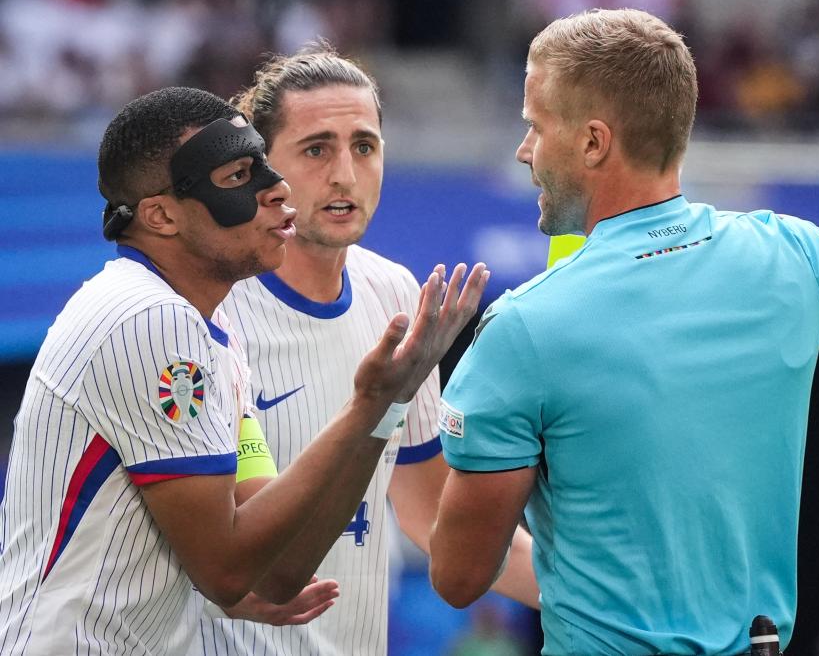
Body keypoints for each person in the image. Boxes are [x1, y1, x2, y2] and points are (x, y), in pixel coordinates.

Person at [429, 8, 819, 655]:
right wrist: (784, 323)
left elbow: (457, 576)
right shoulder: (796, 255)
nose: (523, 151)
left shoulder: (522, 327)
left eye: (535, 128)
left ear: (594, 142)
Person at [0, 86, 487, 655]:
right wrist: (366, 407)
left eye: (262, 165)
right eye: (237, 176)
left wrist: (381, 410)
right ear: (160, 215)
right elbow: (232, 572)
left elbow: (277, 570)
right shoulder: (149, 319)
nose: (276, 189)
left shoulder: (210, 330)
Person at [188, 44, 538, 655]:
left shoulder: (393, 293)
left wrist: (600, 595)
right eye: (316, 149)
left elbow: (433, 516)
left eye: (364, 146)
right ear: (258, 170)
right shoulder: (207, 311)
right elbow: (235, 556)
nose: (345, 175)